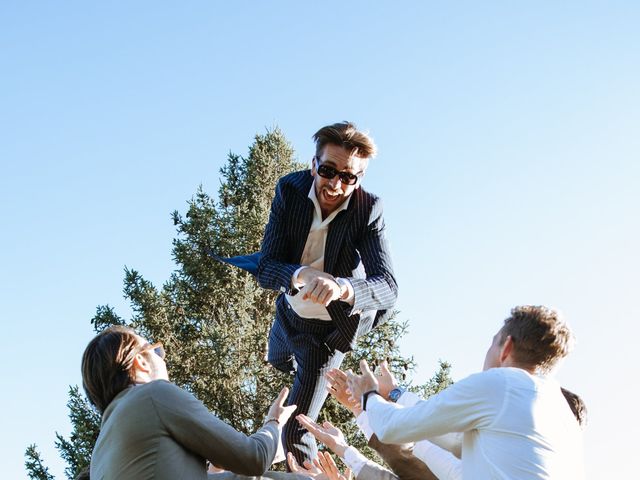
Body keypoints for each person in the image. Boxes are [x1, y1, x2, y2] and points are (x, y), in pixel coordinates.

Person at [257, 121, 397, 463]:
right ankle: (302, 376)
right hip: (288, 313)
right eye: (328, 171)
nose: (335, 185)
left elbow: (388, 287)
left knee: (295, 429)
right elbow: (266, 267)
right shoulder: (290, 190)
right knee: (275, 359)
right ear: (313, 164)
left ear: (359, 178)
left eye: (348, 177)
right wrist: (302, 274)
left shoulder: (367, 210)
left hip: (324, 336)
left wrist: (341, 287)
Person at [346, 305, 585, 479]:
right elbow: (456, 439)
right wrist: (396, 393)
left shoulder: (501, 383)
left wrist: (369, 395)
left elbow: (392, 429)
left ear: (506, 348)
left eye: (493, 342)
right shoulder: (560, 414)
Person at [82, 325, 302, 480]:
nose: (163, 357)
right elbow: (253, 458)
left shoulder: (101, 452)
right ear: (141, 362)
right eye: (157, 351)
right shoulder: (153, 395)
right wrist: (274, 423)